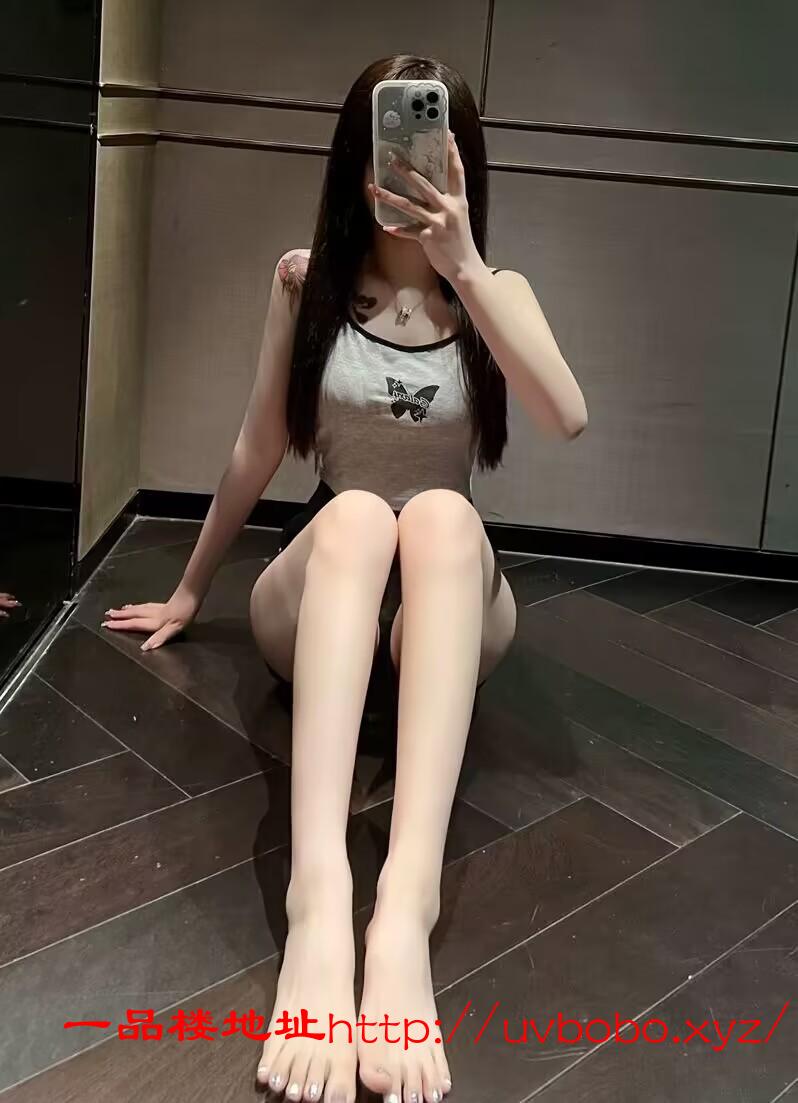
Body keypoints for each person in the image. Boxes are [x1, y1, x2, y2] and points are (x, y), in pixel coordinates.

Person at [103, 54, 586, 1103]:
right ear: (353, 158)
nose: (401, 171)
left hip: (442, 601)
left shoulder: (495, 294)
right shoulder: (305, 282)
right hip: (332, 578)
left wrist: (465, 267)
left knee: (442, 515)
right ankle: (320, 898)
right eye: (386, 144)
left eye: (428, 148)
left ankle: (403, 908)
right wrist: (190, 588)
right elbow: (257, 445)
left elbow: (566, 415)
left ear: (461, 165)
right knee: (363, 511)